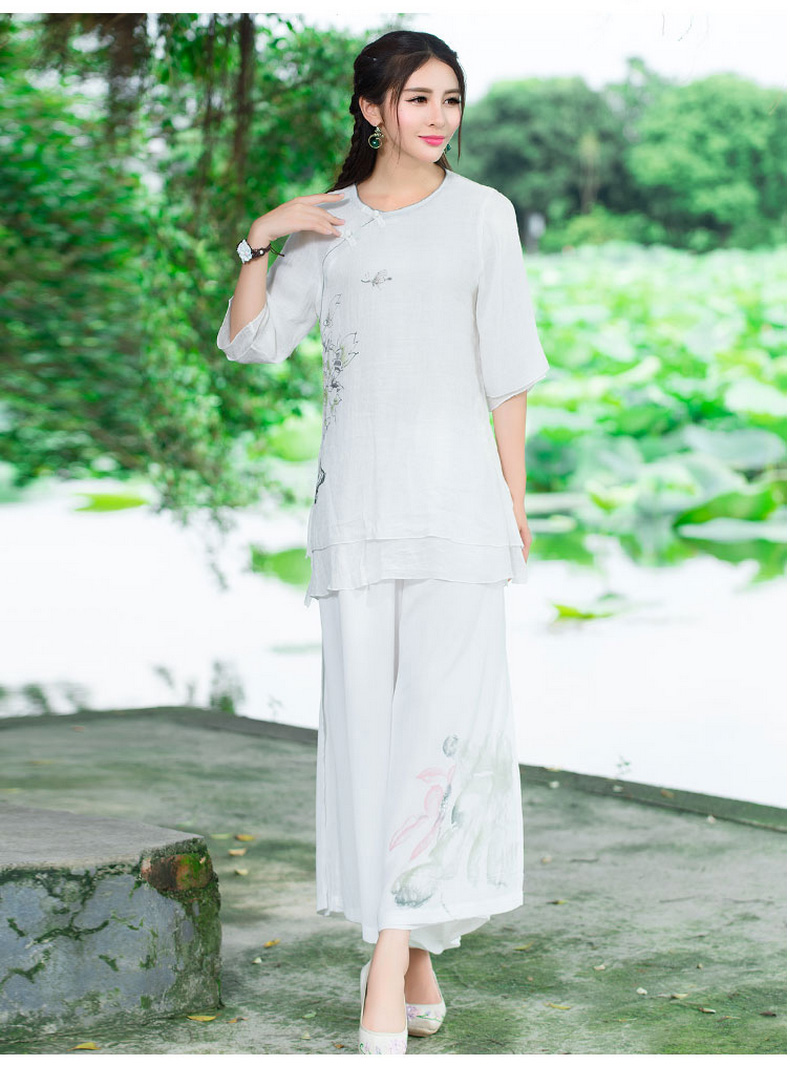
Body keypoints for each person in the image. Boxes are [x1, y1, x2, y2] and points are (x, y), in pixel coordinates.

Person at [217, 29, 549, 1055]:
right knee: (370, 736)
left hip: (458, 513)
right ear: (371, 109)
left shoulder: (484, 215)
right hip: (358, 513)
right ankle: (413, 951)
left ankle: (387, 947)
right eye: (417, 99)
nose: (438, 117)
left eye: (450, 98)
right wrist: (261, 240)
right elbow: (251, 343)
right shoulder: (331, 227)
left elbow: (507, 368)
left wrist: (514, 501)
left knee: (440, 733)